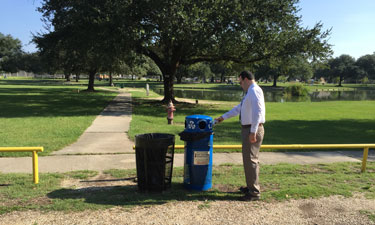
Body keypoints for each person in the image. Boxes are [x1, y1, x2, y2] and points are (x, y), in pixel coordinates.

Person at [215, 70, 265, 201]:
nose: (240, 85)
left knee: (251, 161)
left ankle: (254, 192)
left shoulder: (254, 90)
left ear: (246, 79)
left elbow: (258, 112)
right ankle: (250, 187)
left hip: (252, 129)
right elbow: (239, 109)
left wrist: (253, 132)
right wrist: (223, 117)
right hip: (248, 129)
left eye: (241, 82)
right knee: (248, 161)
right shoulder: (250, 92)